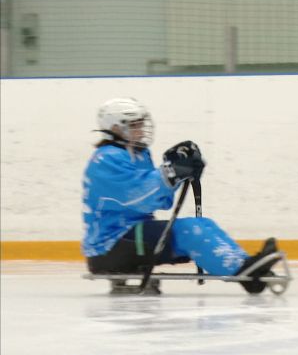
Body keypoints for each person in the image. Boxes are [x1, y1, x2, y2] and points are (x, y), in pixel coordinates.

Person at [81, 97, 278, 292]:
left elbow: (160, 201)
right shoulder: (106, 158)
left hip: (129, 235)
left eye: (141, 123)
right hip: (110, 244)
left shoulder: (139, 154)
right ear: (115, 127)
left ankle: (245, 264)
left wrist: (180, 171)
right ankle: (246, 273)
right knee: (189, 230)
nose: (141, 129)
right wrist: (170, 172)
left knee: (202, 224)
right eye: (134, 124)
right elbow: (135, 194)